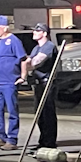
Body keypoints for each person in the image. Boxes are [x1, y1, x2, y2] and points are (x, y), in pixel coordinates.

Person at [0, 16, 27, 148]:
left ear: (4, 27)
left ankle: (12, 139)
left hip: (10, 82)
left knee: (12, 111)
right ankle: (0, 137)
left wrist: (23, 76)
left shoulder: (14, 41)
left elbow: (23, 59)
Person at [22, 22, 60, 150]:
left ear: (44, 33)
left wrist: (28, 63)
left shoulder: (48, 46)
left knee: (48, 114)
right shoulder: (36, 48)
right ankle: (43, 141)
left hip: (47, 83)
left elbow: (35, 62)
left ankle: (49, 142)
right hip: (39, 84)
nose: (34, 33)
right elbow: (29, 61)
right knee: (40, 114)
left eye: (37, 31)